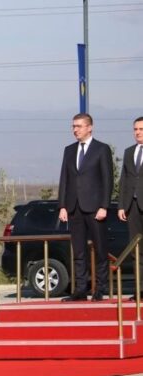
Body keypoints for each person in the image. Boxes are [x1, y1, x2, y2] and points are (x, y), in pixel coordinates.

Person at [58, 113, 114, 302]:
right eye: (73, 126)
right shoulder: (69, 150)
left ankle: (100, 288)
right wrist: (63, 206)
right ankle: (80, 289)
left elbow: (108, 180)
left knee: (100, 249)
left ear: (90, 127)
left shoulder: (101, 149)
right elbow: (64, 179)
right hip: (74, 208)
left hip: (95, 208)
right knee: (79, 251)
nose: (75, 130)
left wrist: (104, 206)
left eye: (79, 126)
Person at [118, 117, 143, 301]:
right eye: (135, 129)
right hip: (132, 207)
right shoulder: (129, 152)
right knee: (136, 250)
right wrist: (121, 206)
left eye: (141, 129)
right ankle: (139, 290)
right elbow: (124, 180)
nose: (137, 132)